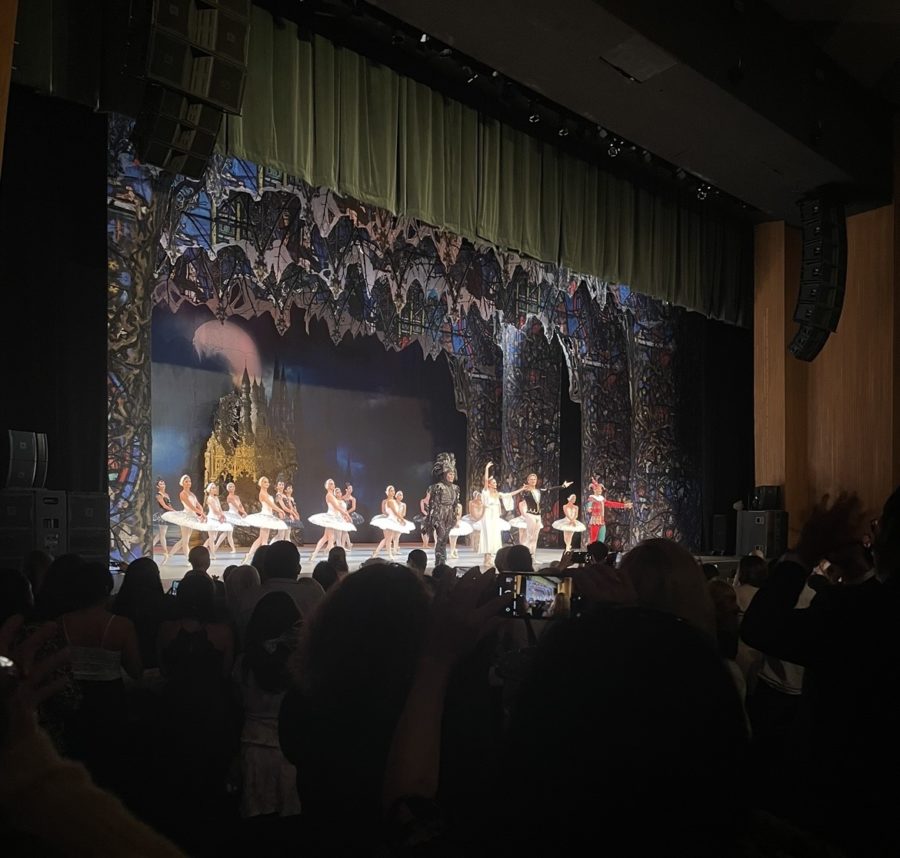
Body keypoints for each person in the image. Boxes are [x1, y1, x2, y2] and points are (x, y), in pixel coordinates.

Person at [480, 461, 524, 570]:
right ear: (489, 484)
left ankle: (489, 558)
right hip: (488, 516)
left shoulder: (497, 494)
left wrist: (522, 489)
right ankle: (487, 557)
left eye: (495, 482)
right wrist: (487, 468)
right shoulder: (486, 492)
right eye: (493, 482)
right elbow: (485, 480)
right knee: (488, 536)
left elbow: (509, 495)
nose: (495, 483)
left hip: (495, 517)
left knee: (494, 536)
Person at [518, 471, 574, 557]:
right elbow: (523, 493)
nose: (533, 481)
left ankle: (532, 556)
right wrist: (525, 488)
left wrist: (563, 486)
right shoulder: (526, 491)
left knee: (535, 537)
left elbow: (550, 489)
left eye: (535, 479)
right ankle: (525, 556)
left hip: (538, 515)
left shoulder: (539, 491)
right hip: (530, 515)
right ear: (528, 481)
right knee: (530, 536)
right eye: (531, 479)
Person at [161, 475, 210, 563]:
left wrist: (201, 514)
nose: (188, 483)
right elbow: (191, 507)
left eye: (189, 481)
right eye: (186, 481)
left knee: (184, 539)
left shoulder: (192, 494)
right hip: (186, 516)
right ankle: (189, 560)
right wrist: (201, 514)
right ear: (182, 483)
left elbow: (198, 505)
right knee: (185, 540)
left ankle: (169, 556)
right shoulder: (182, 494)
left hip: (192, 517)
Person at [425, 454, 463, 568]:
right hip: (440, 514)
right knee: (440, 537)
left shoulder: (456, 488)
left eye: (452, 474)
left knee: (445, 539)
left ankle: (443, 560)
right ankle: (438, 561)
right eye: (449, 474)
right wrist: (433, 518)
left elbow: (456, 503)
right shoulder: (438, 487)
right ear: (445, 475)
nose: (451, 476)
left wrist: (455, 516)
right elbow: (434, 504)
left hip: (449, 515)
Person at [243, 476, 290, 563]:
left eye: (267, 482)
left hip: (269, 515)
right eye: (265, 482)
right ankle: (265, 558)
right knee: (264, 540)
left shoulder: (267, 494)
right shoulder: (262, 494)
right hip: (265, 516)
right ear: (261, 483)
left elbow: (271, 506)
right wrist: (280, 510)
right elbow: (270, 505)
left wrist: (278, 511)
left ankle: (249, 555)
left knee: (261, 538)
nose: (267, 483)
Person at [308, 479, 356, 564]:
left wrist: (345, 514)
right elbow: (337, 507)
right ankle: (334, 560)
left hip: (334, 517)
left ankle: (314, 554)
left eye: (333, 483)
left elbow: (340, 505)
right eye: (330, 484)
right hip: (330, 517)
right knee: (330, 539)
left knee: (325, 538)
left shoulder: (332, 495)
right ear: (327, 486)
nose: (332, 485)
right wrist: (347, 515)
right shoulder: (329, 495)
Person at [370, 486, 413, 560]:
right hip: (390, 521)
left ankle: (377, 552)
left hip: (393, 521)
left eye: (393, 490)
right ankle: (388, 555)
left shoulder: (393, 501)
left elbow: (397, 512)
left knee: (387, 539)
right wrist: (402, 519)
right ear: (388, 492)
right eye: (391, 491)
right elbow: (395, 512)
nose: (393, 492)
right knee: (388, 539)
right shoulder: (389, 501)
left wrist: (399, 519)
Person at [586, 476, 632, 544]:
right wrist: (589, 508)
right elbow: (589, 504)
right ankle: (592, 552)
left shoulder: (602, 499)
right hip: (594, 521)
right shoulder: (592, 498)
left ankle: (599, 552)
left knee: (601, 539)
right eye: (599, 489)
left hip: (601, 521)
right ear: (594, 490)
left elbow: (611, 504)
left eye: (601, 489)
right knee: (593, 539)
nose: (600, 491)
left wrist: (624, 505)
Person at [203, 483, 232, 560]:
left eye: (215, 488)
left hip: (217, 518)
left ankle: (203, 548)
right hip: (212, 518)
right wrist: (220, 516)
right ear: (209, 490)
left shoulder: (216, 498)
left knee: (214, 537)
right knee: (212, 537)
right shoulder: (209, 498)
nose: (214, 489)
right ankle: (212, 554)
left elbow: (219, 508)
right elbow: (214, 510)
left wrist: (222, 515)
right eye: (212, 488)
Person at [220, 481, 247, 555]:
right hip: (231, 515)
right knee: (228, 532)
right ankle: (232, 549)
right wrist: (243, 513)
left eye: (233, 486)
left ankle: (231, 549)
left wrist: (243, 512)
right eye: (230, 487)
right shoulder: (229, 497)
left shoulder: (237, 497)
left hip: (236, 515)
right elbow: (236, 506)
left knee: (227, 533)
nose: (232, 488)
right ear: (228, 489)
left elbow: (240, 506)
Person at [153, 477, 176, 564]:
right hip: (162, 514)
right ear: (157, 486)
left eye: (163, 483)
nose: (163, 485)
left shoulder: (166, 494)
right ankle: (165, 553)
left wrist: (173, 511)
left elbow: (169, 505)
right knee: (162, 534)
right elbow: (164, 506)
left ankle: (150, 546)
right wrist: (173, 511)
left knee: (160, 534)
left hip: (167, 514)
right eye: (161, 484)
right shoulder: (158, 495)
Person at [462, 490, 484, 555]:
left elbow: (483, 511)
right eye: (478, 496)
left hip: (480, 519)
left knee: (479, 533)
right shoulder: (471, 502)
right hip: (473, 518)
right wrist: (475, 518)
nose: (479, 497)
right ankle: (473, 545)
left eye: (480, 496)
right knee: (474, 532)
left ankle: (478, 546)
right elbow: (470, 511)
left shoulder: (483, 503)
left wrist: (480, 518)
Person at [343, 483, 364, 547]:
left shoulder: (353, 499)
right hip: (342, 514)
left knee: (344, 530)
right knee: (344, 530)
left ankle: (345, 544)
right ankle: (348, 544)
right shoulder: (342, 498)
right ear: (346, 489)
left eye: (351, 488)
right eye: (349, 488)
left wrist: (347, 512)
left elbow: (353, 508)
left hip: (349, 515)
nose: (351, 490)